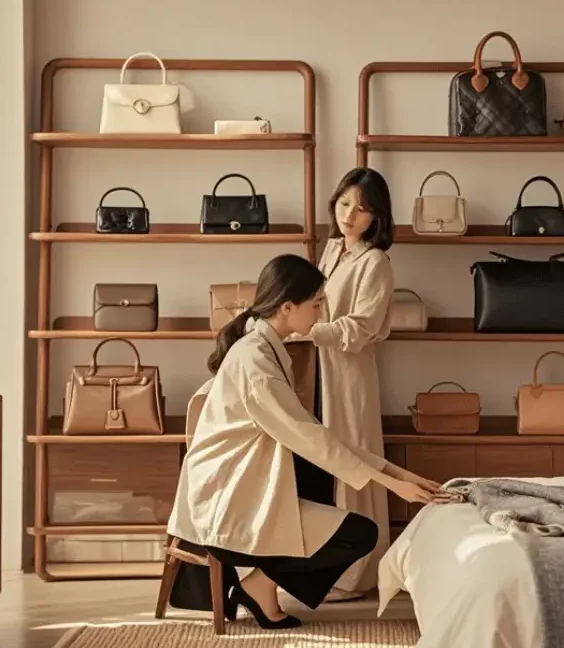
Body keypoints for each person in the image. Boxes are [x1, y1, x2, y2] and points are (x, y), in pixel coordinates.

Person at [166, 253, 440, 630]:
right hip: (227, 497)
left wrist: (397, 471)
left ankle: (259, 583)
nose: (320, 314)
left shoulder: (264, 348)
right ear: (287, 307)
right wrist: (393, 485)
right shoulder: (256, 362)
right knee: (360, 535)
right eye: (316, 305)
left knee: (323, 480)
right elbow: (310, 437)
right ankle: (257, 584)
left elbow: (314, 433)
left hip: (243, 479)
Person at [299, 167, 396, 599]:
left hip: (349, 376)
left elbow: (359, 329)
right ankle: (327, 566)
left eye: (362, 208)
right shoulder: (333, 250)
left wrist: (306, 332)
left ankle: (357, 573)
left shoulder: (375, 262)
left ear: (376, 217)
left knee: (352, 465)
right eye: (344, 204)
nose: (350, 215)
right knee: (325, 464)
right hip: (320, 372)